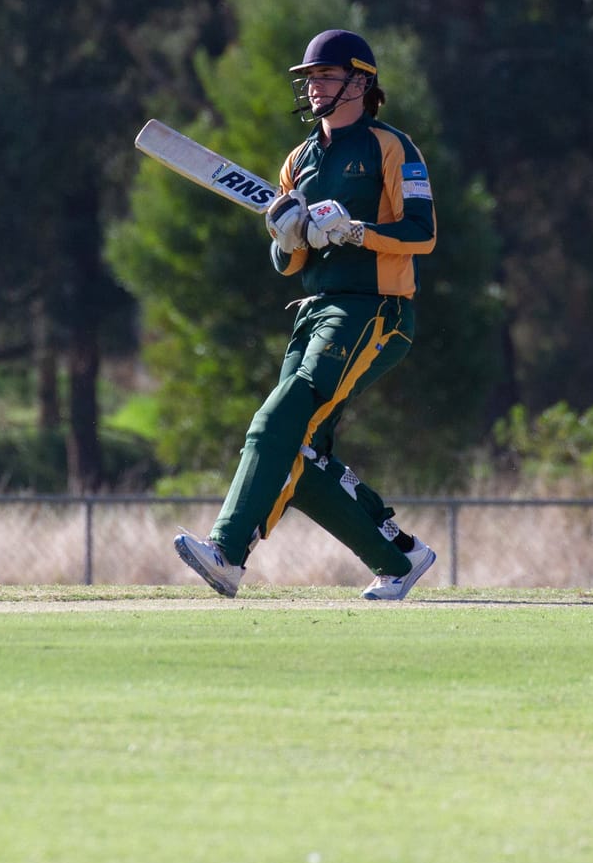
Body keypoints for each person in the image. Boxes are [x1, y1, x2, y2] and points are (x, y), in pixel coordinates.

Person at [174, 29, 440, 601]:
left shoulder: (392, 147)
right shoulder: (300, 159)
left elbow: (423, 234)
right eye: (310, 78)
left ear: (361, 81)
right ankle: (399, 556)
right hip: (314, 310)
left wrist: (357, 231)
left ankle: (226, 553)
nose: (314, 86)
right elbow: (289, 263)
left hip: (376, 310)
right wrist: (286, 233)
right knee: (297, 453)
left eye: (325, 75)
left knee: (278, 419)